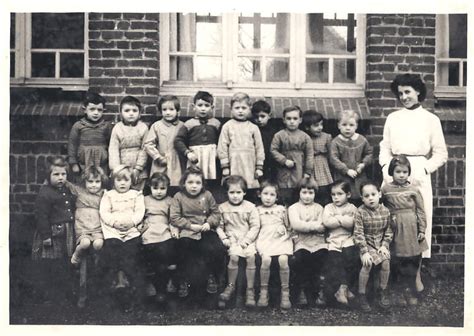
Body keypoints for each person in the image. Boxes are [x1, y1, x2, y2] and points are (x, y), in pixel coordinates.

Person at [379, 73, 447, 291]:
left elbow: (440, 154)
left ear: (418, 92)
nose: (404, 97)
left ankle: (416, 276)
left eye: (408, 92)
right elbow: (384, 148)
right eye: (400, 93)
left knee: (417, 221)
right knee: (393, 222)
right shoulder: (393, 118)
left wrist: (423, 169)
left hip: (417, 172)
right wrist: (385, 168)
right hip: (393, 170)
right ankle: (391, 277)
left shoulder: (431, 120)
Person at [169, 166, 226, 298]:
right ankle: (183, 280)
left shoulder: (207, 195)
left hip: (205, 230)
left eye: (198, 183)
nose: (194, 186)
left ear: (202, 184)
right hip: (187, 231)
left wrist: (209, 223)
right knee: (183, 249)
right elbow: (175, 217)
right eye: (190, 182)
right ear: (184, 183)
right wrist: (189, 226)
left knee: (216, 248)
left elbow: (216, 213)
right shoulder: (178, 197)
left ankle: (212, 276)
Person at [381, 155, 428, 306]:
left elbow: (421, 210)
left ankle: (410, 291)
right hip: (395, 227)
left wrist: (422, 228)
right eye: (398, 172)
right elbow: (381, 208)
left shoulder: (413, 189)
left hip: (411, 228)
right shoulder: (386, 189)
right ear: (391, 172)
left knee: (412, 260)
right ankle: (399, 292)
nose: (402, 175)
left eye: (405, 172)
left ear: (409, 173)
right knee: (397, 260)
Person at [99, 165, 145, 310]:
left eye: (126, 180)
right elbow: (104, 212)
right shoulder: (108, 195)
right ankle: (117, 289)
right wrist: (115, 223)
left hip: (131, 230)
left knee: (131, 257)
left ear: (131, 181)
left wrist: (132, 222)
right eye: (119, 180)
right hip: (113, 230)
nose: (122, 183)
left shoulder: (136, 195)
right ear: (113, 181)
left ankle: (132, 293)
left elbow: (139, 212)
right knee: (113, 254)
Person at [31, 156, 76, 304]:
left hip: (66, 232)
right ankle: (49, 294)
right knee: (51, 262)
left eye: (63, 174)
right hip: (52, 233)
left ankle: (62, 293)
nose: (60, 178)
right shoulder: (45, 193)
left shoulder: (67, 190)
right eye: (56, 175)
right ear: (48, 176)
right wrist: (46, 236)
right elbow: (41, 216)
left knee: (64, 261)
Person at [217, 175, 260, 307]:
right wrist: (224, 238)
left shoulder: (250, 207)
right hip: (232, 239)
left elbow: (255, 226)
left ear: (244, 192)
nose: (235, 196)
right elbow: (219, 226)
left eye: (238, 192)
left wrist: (247, 240)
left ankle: (250, 290)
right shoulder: (222, 208)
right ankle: (231, 286)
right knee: (234, 257)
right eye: (232, 192)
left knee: (251, 257)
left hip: (247, 239)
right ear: (227, 193)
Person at [218, 92, 265, 202]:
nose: (240, 111)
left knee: (249, 189)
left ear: (249, 109)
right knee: (234, 186)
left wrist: (259, 167)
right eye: (237, 108)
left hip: (249, 164)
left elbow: (259, 148)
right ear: (231, 109)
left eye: (244, 108)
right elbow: (222, 147)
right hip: (234, 163)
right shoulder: (227, 126)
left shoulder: (253, 128)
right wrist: (225, 167)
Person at [353, 182, 393, 312]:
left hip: (380, 245)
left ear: (380, 194)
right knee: (367, 263)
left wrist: (385, 246)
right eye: (366, 196)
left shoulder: (386, 211)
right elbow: (358, 233)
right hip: (366, 244)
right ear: (362, 198)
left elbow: (388, 231)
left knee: (386, 261)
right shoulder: (360, 212)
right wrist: (364, 251)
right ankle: (362, 294)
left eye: (373, 194)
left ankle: (382, 291)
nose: (370, 198)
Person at [140, 173, 179, 304]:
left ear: (167, 188)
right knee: (149, 251)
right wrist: (141, 226)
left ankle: (168, 283)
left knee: (167, 249)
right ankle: (152, 285)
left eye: (162, 188)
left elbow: (173, 218)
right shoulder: (144, 199)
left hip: (164, 227)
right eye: (155, 188)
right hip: (149, 228)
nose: (159, 192)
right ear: (150, 187)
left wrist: (174, 229)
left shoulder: (170, 200)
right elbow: (140, 215)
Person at [288, 177, 327, 307]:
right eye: (304, 192)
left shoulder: (320, 208)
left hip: (318, 241)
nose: (307, 196)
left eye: (311, 193)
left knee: (321, 257)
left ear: (315, 194)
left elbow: (323, 225)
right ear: (298, 192)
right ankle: (302, 292)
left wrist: (308, 226)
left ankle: (319, 292)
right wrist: (314, 226)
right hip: (301, 241)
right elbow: (296, 225)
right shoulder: (293, 208)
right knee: (300, 259)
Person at [255, 181, 294, 309]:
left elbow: (289, 227)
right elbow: (255, 227)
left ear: (277, 197)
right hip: (265, 239)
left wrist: (284, 230)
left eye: (272, 195)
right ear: (259, 194)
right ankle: (264, 292)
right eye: (265, 194)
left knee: (283, 260)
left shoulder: (282, 209)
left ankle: (285, 293)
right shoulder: (257, 210)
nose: (268, 197)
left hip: (280, 239)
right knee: (266, 260)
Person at [322, 180, 359, 306]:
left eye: (339, 194)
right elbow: (327, 222)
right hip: (333, 240)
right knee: (335, 260)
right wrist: (344, 219)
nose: (336, 197)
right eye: (333, 194)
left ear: (348, 195)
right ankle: (340, 290)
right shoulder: (328, 207)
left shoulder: (352, 208)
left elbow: (352, 224)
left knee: (350, 257)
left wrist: (336, 218)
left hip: (348, 239)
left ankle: (344, 288)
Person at [270, 106, 314, 206]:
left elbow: (309, 155)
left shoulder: (305, 137)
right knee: (283, 191)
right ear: (284, 120)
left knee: (298, 190)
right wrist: (284, 160)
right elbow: (273, 150)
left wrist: (307, 171)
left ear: (300, 120)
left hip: (299, 168)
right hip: (283, 169)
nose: (292, 121)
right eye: (289, 119)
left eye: (295, 119)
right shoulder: (279, 135)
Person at [174, 91, 221, 181]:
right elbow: (178, 140)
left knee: (211, 178)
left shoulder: (216, 123)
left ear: (212, 107)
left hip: (211, 156)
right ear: (194, 107)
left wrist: (218, 151)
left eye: (207, 106)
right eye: (200, 105)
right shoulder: (189, 124)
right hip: (196, 156)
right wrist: (188, 153)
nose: (203, 109)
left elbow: (221, 140)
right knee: (194, 177)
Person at [143, 95, 185, 194]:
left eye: (171, 109)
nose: (168, 112)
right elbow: (148, 144)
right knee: (159, 183)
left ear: (177, 111)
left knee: (176, 185)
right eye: (164, 109)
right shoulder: (156, 126)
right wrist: (157, 156)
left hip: (177, 161)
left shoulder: (182, 126)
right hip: (161, 161)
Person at [67, 166, 108, 267]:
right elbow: (68, 185)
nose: (94, 185)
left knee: (98, 244)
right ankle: (76, 255)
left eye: (97, 181)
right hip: (83, 227)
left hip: (97, 228)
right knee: (85, 243)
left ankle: (96, 257)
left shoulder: (104, 194)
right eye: (90, 181)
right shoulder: (80, 191)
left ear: (101, 182)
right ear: (84, 181)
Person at [329, 110, 373, 204]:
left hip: (359, 175)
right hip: (343, 175)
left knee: (360, 195)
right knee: (343, 195)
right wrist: (346, 170)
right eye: (344, 125)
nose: (347, 128)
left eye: (351, 125)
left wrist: (363, 164)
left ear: (356, 126)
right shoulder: (336, 142)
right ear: (339, 126)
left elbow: (369, 153)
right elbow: (333, 158)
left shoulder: (361, 140)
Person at [109, 96, 149, 191]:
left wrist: (138, 168)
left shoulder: (143, 128)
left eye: (134, 111)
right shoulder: (117, 128)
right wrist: (117, 169)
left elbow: (145, 149)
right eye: (127, 111)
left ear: (139, 113)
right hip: (121, 167)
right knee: (121, 190)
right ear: (121, 113)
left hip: (138, 168)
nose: (131, 114)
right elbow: (113, 150)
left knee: (136, 192)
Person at [68, 92, 111, 176]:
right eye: (92, 109)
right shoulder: (78, 126)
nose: (96, 113)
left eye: (99, 110)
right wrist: (73, 163)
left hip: (102, 163)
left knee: (101, 182)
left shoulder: (106, 126)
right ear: (85, 110)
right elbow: (72, 144)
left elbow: (111, 145)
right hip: (83, 163)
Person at [301, 109, 333, 205]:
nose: (320, 127)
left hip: (322, 165)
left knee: (324, 189)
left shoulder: (326, 137)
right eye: (316, 126)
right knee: (311, 188)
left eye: (321, 124)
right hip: (309, 165)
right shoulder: (305, 137)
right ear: (307, 127)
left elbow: (331, 154)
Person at [251, 99, 280, 182]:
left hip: (270, 162)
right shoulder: (252, 129)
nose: (259, 119)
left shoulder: (273, 130)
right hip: (256, 162)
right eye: (256, 117)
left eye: (262, 116)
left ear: (269, 115)